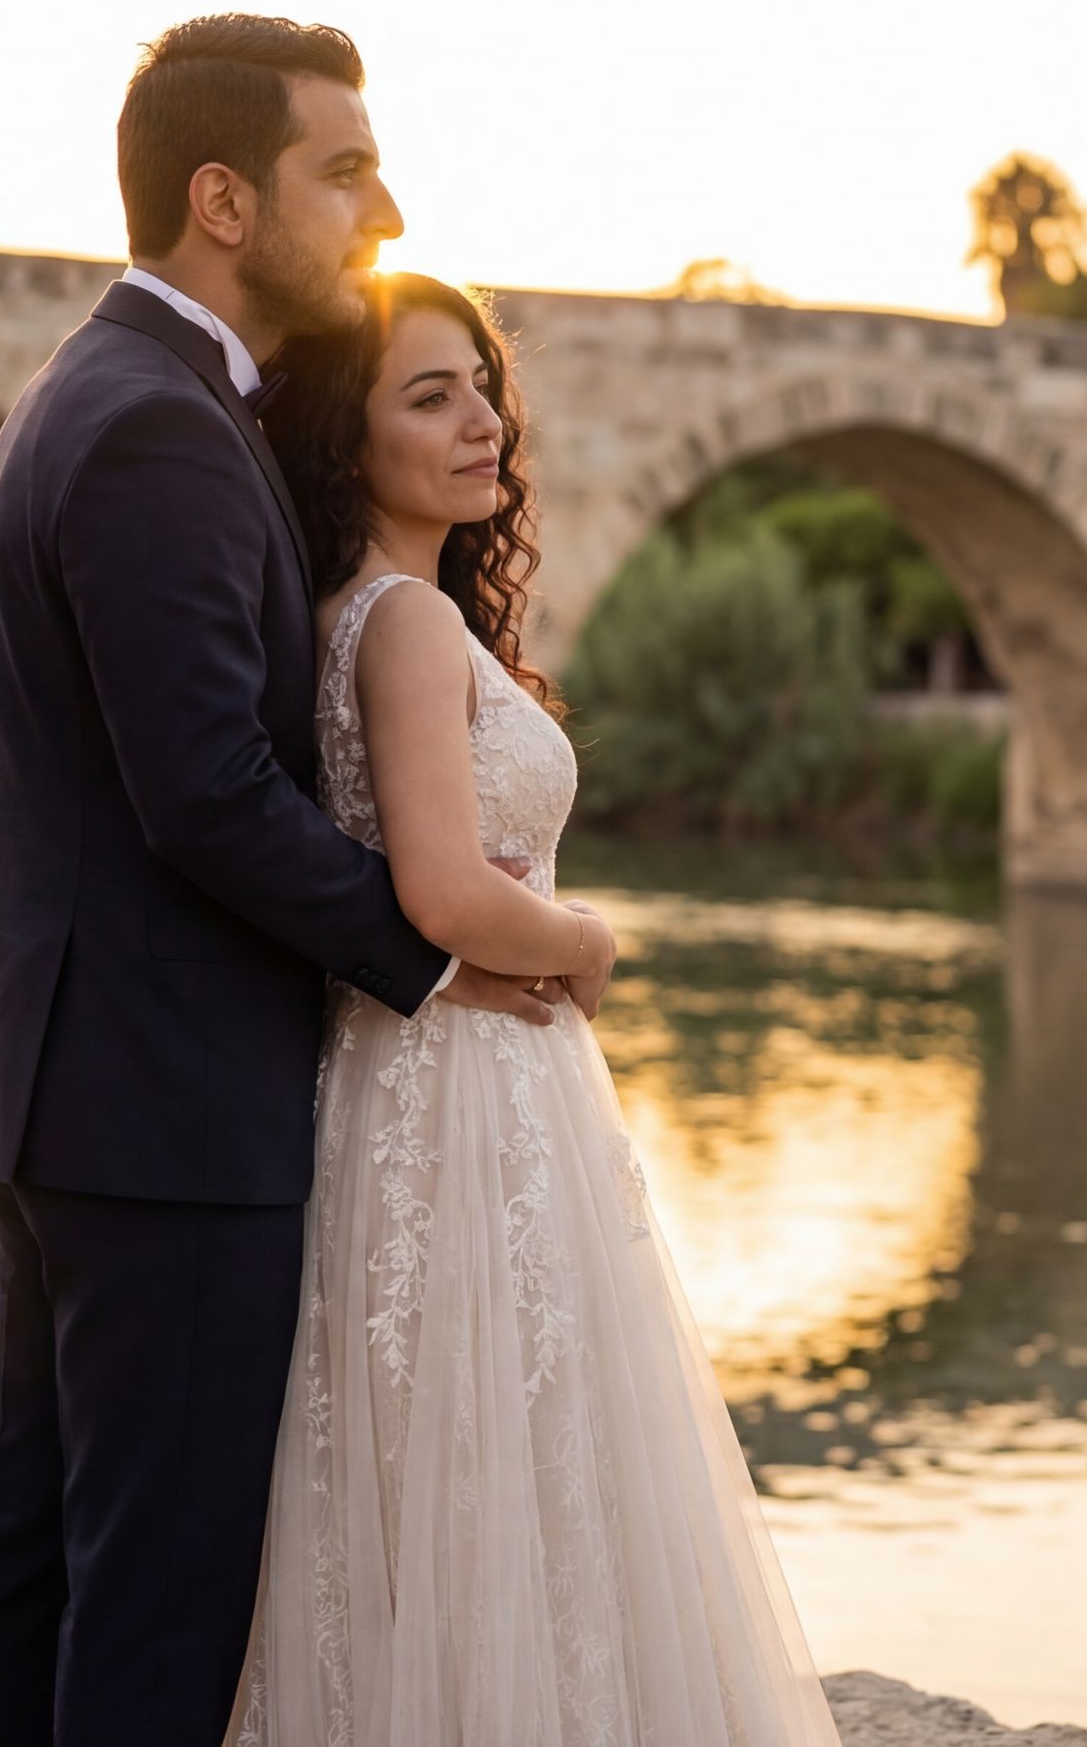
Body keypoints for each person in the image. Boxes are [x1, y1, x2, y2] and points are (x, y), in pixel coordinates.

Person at [0, 15, 600, 1747]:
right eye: (347, 169)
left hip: (70, 1081)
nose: (383, 210)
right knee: (154, 1596)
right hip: (158, 1104)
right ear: (224, 199)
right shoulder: (153, 422)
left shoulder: (101, 392)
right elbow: (207, 796)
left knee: (45, 1550)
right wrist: (447, 952)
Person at [230, 274, 842, 1744]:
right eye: (427, 395)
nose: (480, 420)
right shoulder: (407, 628)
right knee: (501, 1438)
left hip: (427, 1075)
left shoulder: (370, 616)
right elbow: (443, 886)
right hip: (466, 1084)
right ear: (346, 440)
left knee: (475, 1446)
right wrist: (587, 937)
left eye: (482, 387)